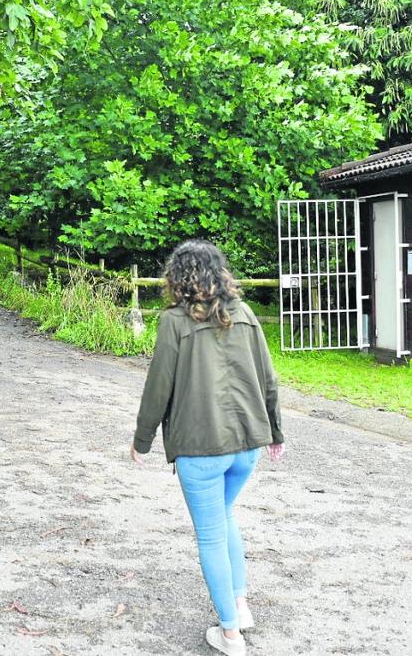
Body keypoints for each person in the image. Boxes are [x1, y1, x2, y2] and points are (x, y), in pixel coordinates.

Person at [130, 239, 284, 656]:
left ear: (177, 278)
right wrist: (276, 432)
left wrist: (141, 439)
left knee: (211, 535)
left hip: (201, 449)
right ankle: (240, 604)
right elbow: (269, 378)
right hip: (247, 444)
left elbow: (158, 385)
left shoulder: (174, 321)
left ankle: (231, 635)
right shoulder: (246, 313)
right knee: (225, 515)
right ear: (220, 272)